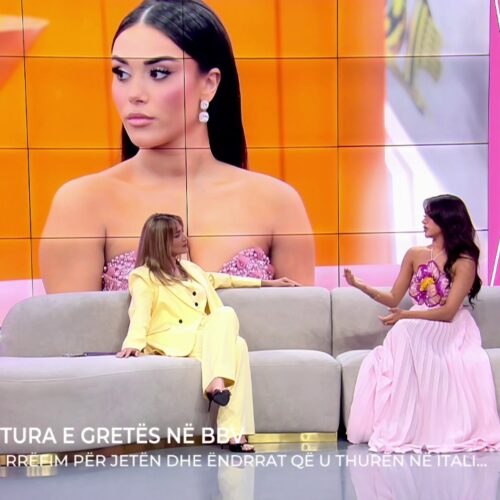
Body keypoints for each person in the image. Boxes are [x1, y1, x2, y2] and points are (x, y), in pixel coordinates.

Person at [39, 0, 315, 294]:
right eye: (121, 73)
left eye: (158, 73)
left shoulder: (278, 204)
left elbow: (300, 321)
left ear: (209, 84)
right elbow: (72, 323)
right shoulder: (82, 204)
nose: (134, 94)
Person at [116, 213, 299, 452]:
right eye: (177, 235)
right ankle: (228, 417)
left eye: (183, 232)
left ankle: (229, 425)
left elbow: (225, 280)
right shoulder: (143, 276)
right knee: (229, 323)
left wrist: (268, 283)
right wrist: (133, 343)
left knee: (238, 343)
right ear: (161, 242)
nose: (185, 238)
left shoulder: (190, 269)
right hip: (172, 338)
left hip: (201, 335)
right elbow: (140, 311)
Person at [344, 194, 500, 453]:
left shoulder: (464, 262)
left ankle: (422, 425)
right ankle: (403, 422)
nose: (423, 221)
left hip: (450, 326)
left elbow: (448, 312)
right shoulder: (415, 254)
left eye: (429, 216)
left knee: (405, 328)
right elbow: (393, 298)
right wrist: (360, 285)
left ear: (446, 220)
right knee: (404, 331)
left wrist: (405, 316)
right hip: (417, 320)